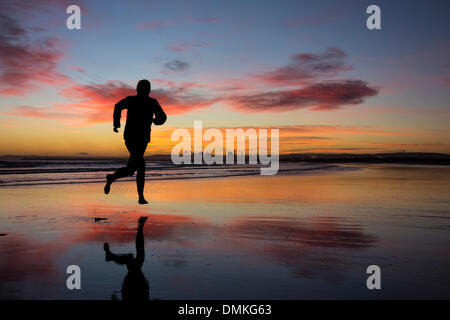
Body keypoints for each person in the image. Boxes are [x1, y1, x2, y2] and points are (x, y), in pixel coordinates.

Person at [104, 79, 167, 204]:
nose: (145, 91)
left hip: (143, 139)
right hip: (131, 138)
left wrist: (157, 121)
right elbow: (118, 106)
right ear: (139, 89)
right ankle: (141, 197)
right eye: (143, 88)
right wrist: (116, 123)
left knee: (131, 170)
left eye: (147, 88)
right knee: (141, 165)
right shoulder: (132, 100)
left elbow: (163, 116)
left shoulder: (152, 102)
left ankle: (111, 177)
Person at [103, 217, 149, 300]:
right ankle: (140, 228)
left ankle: (140, 228)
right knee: (134, 258)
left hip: (133, 289)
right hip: (136, 289)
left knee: (133, 259)